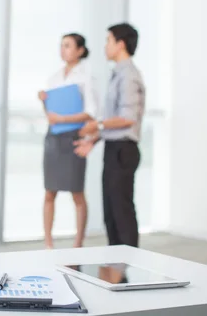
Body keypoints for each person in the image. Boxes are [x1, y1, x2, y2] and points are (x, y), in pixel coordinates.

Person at [74, 23, 145, 248]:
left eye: (108, 40)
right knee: (111, 213)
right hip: (114, 148)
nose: (105, 46)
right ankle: (116, 266)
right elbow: (113, 120)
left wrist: (97, 124)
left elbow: (127, 117)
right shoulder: (118, 74)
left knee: (121, 211)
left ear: (120, 44)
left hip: (124, 150)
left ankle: (128, 267)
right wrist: (93, 140)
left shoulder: (129, 75)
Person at [38, 33, 98, 249]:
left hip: (74, 137)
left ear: (80, 50)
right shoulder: (54, 78)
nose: (63, 50)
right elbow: (51, 114)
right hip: (54, 137)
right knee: (49, 191)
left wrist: (63, 118)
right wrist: (44, 102)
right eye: (61, 45)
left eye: (68, 46)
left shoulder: (86, 77)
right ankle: (48, 243)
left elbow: (91, 113)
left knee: (77, 192)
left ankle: (78, 243)